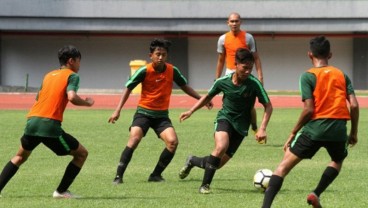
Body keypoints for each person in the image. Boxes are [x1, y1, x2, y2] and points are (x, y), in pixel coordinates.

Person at [261, 36, 359, 208]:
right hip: (338, 129)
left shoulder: (307, 76)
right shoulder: (342, 75)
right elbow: (355, 105)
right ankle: (316, 193)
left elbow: (308, 109)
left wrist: (292, 133)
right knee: (337, 160)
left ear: (309, 54)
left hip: (314, 129)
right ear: (330, 54)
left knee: (282, 168)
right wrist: (353, 132)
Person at [109, 38, 213, 184]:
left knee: (172, 142)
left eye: (163, 54)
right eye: (157, 54)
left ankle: (155, 175)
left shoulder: (172, 70)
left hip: (161, 116)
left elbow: (184, 86)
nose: (160, 57)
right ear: (150, 55)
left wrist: (202, 99)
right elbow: (128, 88)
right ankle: (118, 176)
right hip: (143, 113)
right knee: (135, 138)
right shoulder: (144, 70)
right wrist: (117, 110)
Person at [0, 45, 95, 198]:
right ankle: (61, 192)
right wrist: (87, 103)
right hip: (49, 125)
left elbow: (38, 97)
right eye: (78, 61)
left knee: (19, 156)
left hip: (32, 121)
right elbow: (71, 96)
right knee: (81, 154)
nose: (79, 64)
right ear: (71, 61)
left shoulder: (48, 75)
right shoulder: (72, 75)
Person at [179, 48, 273, 194]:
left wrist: (262, 128)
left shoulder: (254, 84)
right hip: (225, 118)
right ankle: (204, 186)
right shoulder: (223, 82)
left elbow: (268, 106)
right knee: (221, 146)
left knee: (217, 163)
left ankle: (192, 160)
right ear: (236, 64)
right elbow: (208, 96)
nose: (248, 72)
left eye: (250, 69)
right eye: (245, 68)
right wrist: (191, 111)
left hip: (241, 127)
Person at [216, 12, 264, 133]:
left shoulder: (248, 38)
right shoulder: (222, 39)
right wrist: (217, 78)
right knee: (228, 102)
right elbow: (221, 60)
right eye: (232, 21)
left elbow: (256, 58)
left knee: (249, 104)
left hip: (245, 72)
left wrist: (260, 77)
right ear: (228, 23)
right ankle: (227, 125)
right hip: (229, 73)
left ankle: (253, 125)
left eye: (236, 21)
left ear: (240, 22)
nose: (234, 23)